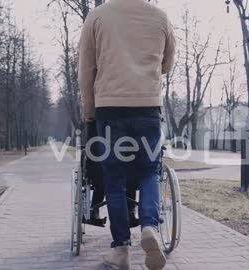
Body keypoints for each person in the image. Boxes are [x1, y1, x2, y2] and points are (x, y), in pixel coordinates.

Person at [78, 0, 175, 269]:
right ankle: (149, 227)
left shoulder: (97, 17)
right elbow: (167, 63)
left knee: (115, 178)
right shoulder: (160, 17)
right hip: (147, 107)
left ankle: (121, 249)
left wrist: (89, 109)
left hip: (109, 108)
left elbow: (86, 69)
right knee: (149, 171)